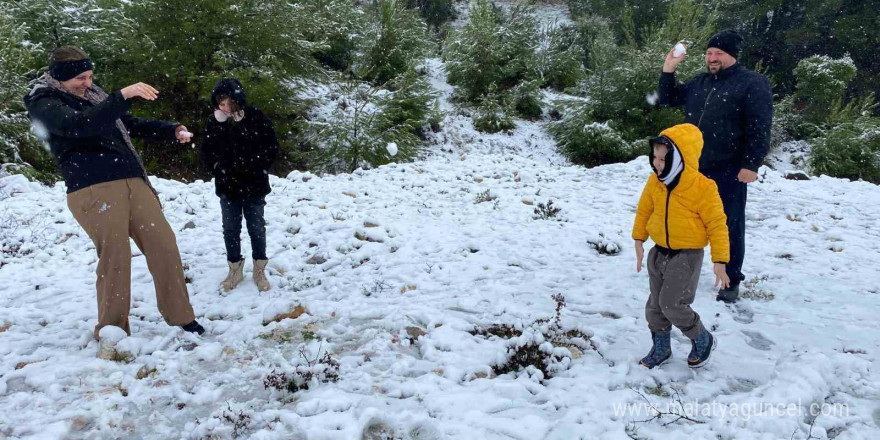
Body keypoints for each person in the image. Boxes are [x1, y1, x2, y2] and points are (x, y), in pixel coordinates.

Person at [23, 46, 205, 347]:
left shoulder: (94, 98)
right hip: (93, 187)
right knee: (115, 257)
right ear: (61, 78)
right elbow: (80, 125)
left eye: (90, 76)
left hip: (131, 180)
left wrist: (170, 130)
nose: (87, 83)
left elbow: (125, 124)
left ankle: (182, 317)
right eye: (80, 77)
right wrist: (120, 96)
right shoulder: (44, 101)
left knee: (164, 245)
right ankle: (112, 329)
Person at [657, 30, 772, 303]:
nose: (712, 58)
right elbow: (668, 98)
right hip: (692, 167)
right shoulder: (700, 82)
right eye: (709, 53)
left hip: (729, 168)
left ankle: (730, 280)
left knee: (728, 224)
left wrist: (751, 163)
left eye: (719, 53)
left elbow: (759, 126)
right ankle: (676, 269)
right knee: (680, 219)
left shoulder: (752, 83)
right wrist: (668, 70)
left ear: (732, 55)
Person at [632, 123, 730, 369]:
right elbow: (645, 210)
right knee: (655, 306)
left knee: (672, 304)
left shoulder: (703, 188)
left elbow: (717, 225)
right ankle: (662, 348)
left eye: (664, 159)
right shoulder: (655, 182)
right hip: (658, 252)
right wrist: (639, 239)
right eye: (655, 157)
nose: (657, 164)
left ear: (680, 158)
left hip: (686, 255)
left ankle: (702, 338)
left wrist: (720, 260)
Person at [199, 78, 279, 292]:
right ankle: (234, 269)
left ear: (238, 100)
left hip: (254, 185)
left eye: (229, 103)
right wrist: (218, 167)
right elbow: (205, 152)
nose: (225, 108)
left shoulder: (256, 117)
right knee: (230, 229)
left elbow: (271, 146)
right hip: (228, 187)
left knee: (257, 228)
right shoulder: (213, 123)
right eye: (221, 104)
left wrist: (258, 166)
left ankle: (259, 269)